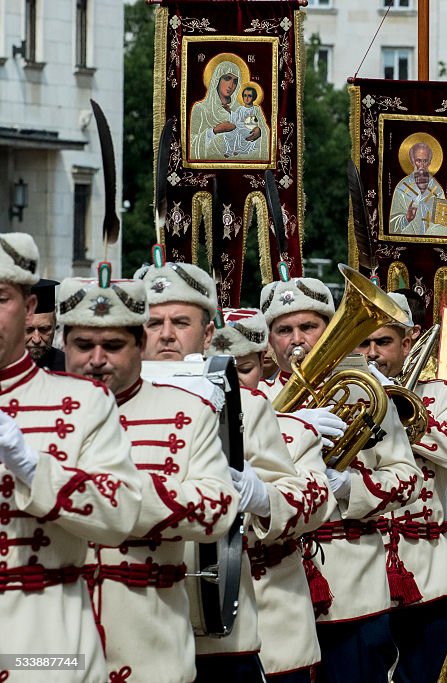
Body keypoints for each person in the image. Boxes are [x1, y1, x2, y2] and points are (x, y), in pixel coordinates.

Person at [139, 248, 314, 682]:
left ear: (207, 332)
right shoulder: (103, 402)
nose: (166, 335)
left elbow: (301, 499)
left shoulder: (249, 406)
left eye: (181, 323)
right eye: (153, 322)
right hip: (138, 622)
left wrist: (261, 496)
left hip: (221, 624)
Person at [59, 265, 238, 683]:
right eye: (83, 344)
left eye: (114, 345)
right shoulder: (28, 407)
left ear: (138, 344)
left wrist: (103, 495)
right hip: (51, 646)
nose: (97, 360)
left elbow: (217, 511)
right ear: (63, 344)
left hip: (152, 647)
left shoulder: (190, 411)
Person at [257, 272, 425, 683]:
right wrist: (286, 424)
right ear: (270, 339)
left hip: (355, 585)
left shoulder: (364, 391)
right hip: (283, 586)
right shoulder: (255, 401)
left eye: (309, 327)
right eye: (284, 330)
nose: (297, 340)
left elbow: (408, 477)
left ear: (328, 329)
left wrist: (352, 487)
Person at [0, 234, 143, 682]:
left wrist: (32, 468)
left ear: (28, 309)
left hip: (45, 642)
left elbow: (119, 514)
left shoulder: (85, 401)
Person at [208, 308, 338, 683]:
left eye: (244, 369)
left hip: (277, 603)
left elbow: (314, 501)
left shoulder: (295, 426)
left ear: (262, 363)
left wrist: (264, 498)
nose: (231, 383)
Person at [355, 292, 447, 683]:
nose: (373, 354)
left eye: (384, 342)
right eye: (363, 343)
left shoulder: (440, 393)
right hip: (362, 562)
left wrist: (398, 410)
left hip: (426, 567)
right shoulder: (343, 394)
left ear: (408, 343)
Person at [189, 60, 268, 161]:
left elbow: (264, 134)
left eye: (235, 81)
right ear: (217, 79)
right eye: (227, 78)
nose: (231, 85)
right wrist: (215, 131)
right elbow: (191, 145)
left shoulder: (242, 108)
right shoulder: (201, 109)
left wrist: (259, 131)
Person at [388, 141, 447, 237]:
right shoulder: (401, 188)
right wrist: (407, 218)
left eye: (425, 161)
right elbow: (392, 225)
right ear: (412, 161)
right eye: (418, 161)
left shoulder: (437, 190)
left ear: (430, 162)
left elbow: (443, 224)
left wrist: (430, 236)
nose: (422, 166)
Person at [26, 278, 64, 371]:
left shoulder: (69, 367)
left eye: (44, 329)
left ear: (55, 324)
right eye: (28, 330)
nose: (36, 339)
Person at [224, 85, 267, 158]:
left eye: (249, 96)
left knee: (244, 133)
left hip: (249, 129)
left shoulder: (256, 109)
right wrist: (230, 111)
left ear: (254, 97)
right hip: (238, 126)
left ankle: (240, 150)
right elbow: (235, 118)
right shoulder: (240, 108)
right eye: (245, 95)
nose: (246, 98)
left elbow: (261, 122)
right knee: (229, 133)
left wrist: (257, 129)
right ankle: (229, 151)